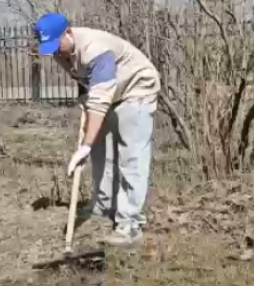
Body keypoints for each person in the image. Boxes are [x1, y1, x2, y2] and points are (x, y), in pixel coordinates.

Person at [33, 12, 161, 247]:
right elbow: (84, 81)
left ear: (68, 32)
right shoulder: (59, 52)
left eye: (55, 44)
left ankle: (129, 225)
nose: (54, 51)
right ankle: (103, 208)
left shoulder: (96, 48)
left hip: (136, 87)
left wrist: (84, 146)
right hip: (112, 91)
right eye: (48, 47)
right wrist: (84, 100)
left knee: (130, 156)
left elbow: (100, 99)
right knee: (101, 152)